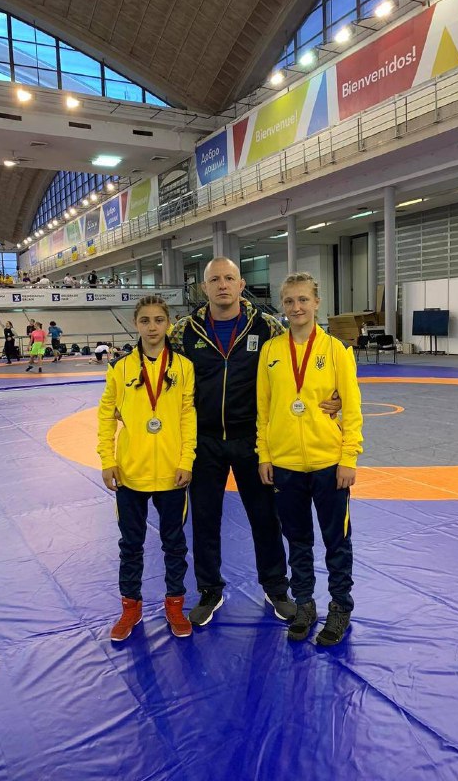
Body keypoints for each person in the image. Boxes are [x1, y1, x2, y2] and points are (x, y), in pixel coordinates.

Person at [171, 257, 341, 627]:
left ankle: (276, 587)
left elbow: (297, 363)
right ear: (204, 287)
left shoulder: (266, 326)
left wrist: (337, 394)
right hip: (204, 440)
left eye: (229, 278)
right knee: (204, 519)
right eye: (215, 279)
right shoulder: (184, 330)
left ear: (241, 284)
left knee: (266, 517)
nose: (222, 285)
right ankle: (209, 589)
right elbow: (161, 372)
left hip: (253, 440)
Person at [257, 272, 363, 646]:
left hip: (329, 463)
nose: (296, 307)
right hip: (285, 464)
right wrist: (265, 454)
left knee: (337, 541)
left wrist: (348, 458)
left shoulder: (336, 350)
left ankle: (340, 606)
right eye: (289, 301)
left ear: (317, 302)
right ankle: (304, 605)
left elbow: (352, 409)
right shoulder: (271, 352)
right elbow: (263, 409)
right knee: (297, 541)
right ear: (282, 306)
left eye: (303, 299)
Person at [97, 296, 197, 641]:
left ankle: (175, 605)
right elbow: (106, 416)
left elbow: (187, 416)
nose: (152, 327)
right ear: (135, 324)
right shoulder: (121, 368)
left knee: (175, 545)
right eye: (145, 321)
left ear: (168, 324)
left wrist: (186, 461)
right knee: (131, 545)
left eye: (158, 320)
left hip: (172, 473)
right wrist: (107, 460)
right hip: (130, 473)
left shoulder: (183, 367)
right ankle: (131, 608)